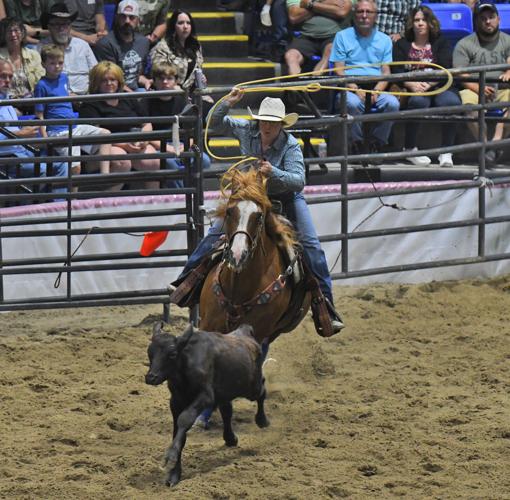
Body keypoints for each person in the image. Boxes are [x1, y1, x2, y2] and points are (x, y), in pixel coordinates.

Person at [170, 89, 344, 333]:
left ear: (281, 124)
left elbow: (298, 181)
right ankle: (186, 281)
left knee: (312, 246)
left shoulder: (290, 145)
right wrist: (227, 103)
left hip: (285, 198)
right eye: (264, 120)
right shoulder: (246, 130)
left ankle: (325, 306)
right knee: (215, 234)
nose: (267, 126)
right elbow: (215, 123)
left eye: (272, 122)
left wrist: (274, 173)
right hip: (251, 195)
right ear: (258, 120)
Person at [392, 5, 461, 167]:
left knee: (452, 103)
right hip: (413, 87)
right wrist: (411, 84)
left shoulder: (441, 42)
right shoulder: (402, 44)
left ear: (431, 23)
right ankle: (410, 149)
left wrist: (428, 84)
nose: (420, 23)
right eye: (417, 20)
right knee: (418, 103)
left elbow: (446, 67)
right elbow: (396, 69)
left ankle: (446, 151)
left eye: (424, 20)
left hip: (439, 85)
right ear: (411, 23)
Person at [34, 45, 112, 186]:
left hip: (74, 127)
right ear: (43, 64)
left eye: (60, 63)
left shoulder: (64, 78)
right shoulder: (41, 85)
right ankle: (72, 202)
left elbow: (66, 94)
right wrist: (45, 138)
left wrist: (78, 98)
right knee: (75, 168)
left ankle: (104, 178)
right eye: (52, 63)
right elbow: (39, 115)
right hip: (58, 132)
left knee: (106, 134)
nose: (57, 66)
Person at [330, 0, 400, 154]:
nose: (364, 15)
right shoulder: (341, 36)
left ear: (375, 16)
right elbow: (339, 69)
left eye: (368, 12)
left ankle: (377, 142)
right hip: (349, 86)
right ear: (354, 15)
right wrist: (355, 89)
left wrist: (377, 91)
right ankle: (358, 143)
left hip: (376, 86)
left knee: (393, 104)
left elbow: (386, 72)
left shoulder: (385, 40)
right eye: (360, 12)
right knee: (352, 103)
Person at [79, 60, 161, 190]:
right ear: (96, 82)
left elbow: (147, 123)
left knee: (153, 160)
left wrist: (143, 140)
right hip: (103, 149)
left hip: (133, 143)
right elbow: (96, 137)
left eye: (113, 79)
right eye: (104, 80)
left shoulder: (127, 98)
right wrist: (124, 144)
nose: (109, 83)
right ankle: (110, 203)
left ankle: (154, 200)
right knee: (121, 161)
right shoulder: (89, 104)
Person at [453, 1, 510, 166]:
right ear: (476, 21)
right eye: (483, 18)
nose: (487, 21)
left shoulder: (507, 40)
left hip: (503, 88)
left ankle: (495, 143)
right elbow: (460, 73)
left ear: (498, 19)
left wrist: (508, 72)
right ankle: (485, 148)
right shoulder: (465, 44)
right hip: (473, 86)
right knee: (469, 109)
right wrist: (478, 88)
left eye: (491, 17)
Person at [0, 57, 68, 196]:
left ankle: (57, 210)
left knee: (63, 165)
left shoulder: (6, 101)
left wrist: (30, 135)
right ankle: (27, 212)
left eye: (10, 76)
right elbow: (12, 135)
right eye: (3, 76)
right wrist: (20, 135)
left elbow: (13, 132)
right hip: (7, 160)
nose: (7, 80)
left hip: (21, 153)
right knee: (42, 171)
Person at [145, 61, 212, 188]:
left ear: (176, 81)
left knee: (204, 160)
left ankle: (192, 194)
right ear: (154, 80)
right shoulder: (146, 102)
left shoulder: (184, 101)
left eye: (169, 78)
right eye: (161, 78)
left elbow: (192, 130)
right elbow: (147, 135)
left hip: (183, 144)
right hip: (160, 146)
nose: (165, 82)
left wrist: (186, 146)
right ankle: (181, 197)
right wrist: (168, 148)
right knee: (170, 163)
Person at [40, 2, 98, 95]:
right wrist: (66, 94)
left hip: (87, 98)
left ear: (70, 27)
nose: (61, 28)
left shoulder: (82, 45)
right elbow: (40, 78)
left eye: (65, 24)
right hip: (57, 99)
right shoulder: (41, 48)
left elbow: (96, 73)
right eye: (56, 24)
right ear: (49, 27)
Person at [284, 0, 353, 78]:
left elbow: (342, 11)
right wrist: (326, 4)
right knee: (291, 55)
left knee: (330, 51)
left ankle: (314, 83)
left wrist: (310, 5)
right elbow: (294, 16)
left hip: (334, 36)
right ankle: (297, 85)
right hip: (306, 36)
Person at [93, 0, 151, 91]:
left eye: (132, 17)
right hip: (114, 92)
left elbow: (137, 75)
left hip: (136, 90)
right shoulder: (105, 44)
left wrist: (146, 81)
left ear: (138, 20)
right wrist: (133, 95)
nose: (127, 21)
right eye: (123, 17)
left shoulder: (144, 42)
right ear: (116, 18)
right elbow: (110, 80)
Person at [149, 10, 208, 93]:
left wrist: (202, 79)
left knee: (211, 103)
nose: (185, 26)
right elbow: (159, 74)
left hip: (191, 93)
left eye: (188, 23)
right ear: (173, 26)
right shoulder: (162, 48)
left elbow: (197, 71)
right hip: (169, 92)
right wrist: (174, 87)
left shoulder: (196, 46)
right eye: (180, 23)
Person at [0, 17, 44, 111]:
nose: (13, 34)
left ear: (23, 33)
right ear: (3, 35)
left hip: (32, 104)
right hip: (6, 105)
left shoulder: (33, 55)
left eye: (16, 30)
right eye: (9, 31)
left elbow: (41, 80)